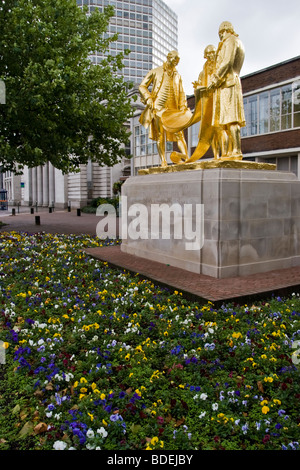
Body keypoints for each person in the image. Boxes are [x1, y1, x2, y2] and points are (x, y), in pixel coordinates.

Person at [139, 50, 189, 167]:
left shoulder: (177, 75)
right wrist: (149, 99)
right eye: (174, 59)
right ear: (168, 57)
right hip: (158, 108)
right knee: (160, 135)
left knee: (180, 134)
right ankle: (163, 162)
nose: (176, 62)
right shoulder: (155, 72)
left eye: (178, 61)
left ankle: (186, 158)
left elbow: (181, 92)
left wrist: (183, 106)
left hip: (174, 110)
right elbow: (142, 86)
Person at [208, 21, 246, 160]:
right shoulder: (237, 42)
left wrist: (215, 79)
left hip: (228, 83)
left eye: (220, 34)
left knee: (232, 119)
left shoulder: (230, 41)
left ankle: (236, 151)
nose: (220, 37)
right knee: (229, 121)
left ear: (224, 30)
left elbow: (227, 62)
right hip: (229, 83)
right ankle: (231, 151)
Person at [191, 44, 222, 160]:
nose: (210, 55)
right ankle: (216, 156)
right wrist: (197, 89)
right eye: (208, 53)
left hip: (218, 102)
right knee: (211, 133)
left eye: (212, 52)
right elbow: (198, 92)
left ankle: (225, 154)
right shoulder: (202, 73)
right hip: (207, 104)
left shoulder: (220, 68)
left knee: (220, 129)